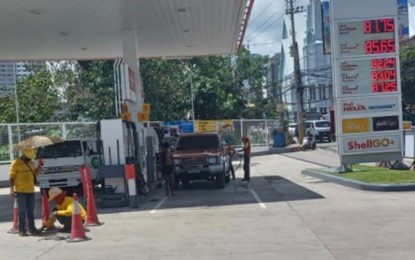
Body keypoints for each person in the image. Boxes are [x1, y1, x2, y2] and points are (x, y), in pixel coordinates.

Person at [9, 148, 43, 237]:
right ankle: (22, 229)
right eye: (28, 157)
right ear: (24, 155)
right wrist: (12, 189)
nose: (30, 159)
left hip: (30, 190)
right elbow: (11, 177)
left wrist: (39, 166)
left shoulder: (31, 162)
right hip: (20, 191)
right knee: (22, 211)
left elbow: (35, 173)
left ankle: (32, 228)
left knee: (31, 211)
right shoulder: (16, 163)